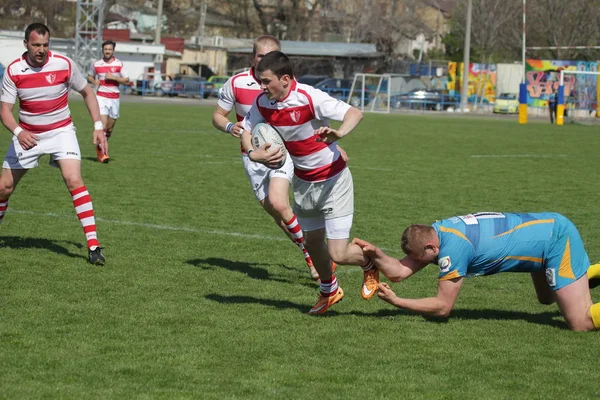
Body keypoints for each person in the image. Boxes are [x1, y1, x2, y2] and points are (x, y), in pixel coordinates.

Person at [240, 51, 378, 314]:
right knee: (312, 243)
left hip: (333, 180)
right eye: (259, 80)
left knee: (338, 253)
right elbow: (247, 130)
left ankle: (369, 263)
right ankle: (330, 291)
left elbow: (354, 113)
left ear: (285, 79)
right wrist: (254, 153)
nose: (261, 86)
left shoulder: (309, 96)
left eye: (266, 81)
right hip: (303, 182)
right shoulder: (262, 102)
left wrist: (339, 133)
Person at [353, 211, 600, 331]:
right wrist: (377, 254)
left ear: (430, 247)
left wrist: (399, 301)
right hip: (542, 240)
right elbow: (398, 272)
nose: (416, 262)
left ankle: (578, 278)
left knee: (581, 322)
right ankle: (585, 276)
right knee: (546, 298)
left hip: (555, 239)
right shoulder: (437, 232)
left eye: (418, 258)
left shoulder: (453, 249)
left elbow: (442, 307)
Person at [211, 36, 320, 280]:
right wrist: (231, 127)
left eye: (272, 55)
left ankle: (314, 258)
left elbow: (306, 115)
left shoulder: (285, 82)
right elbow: (217, 116)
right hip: (252, 156)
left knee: (282, 205)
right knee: (277, 213)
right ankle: (310, 251)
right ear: (253, 58)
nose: (266, 60)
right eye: (261, 56)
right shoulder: (236, 82)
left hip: (283, 152)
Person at [0, 23, 107, 265]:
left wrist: (98, 126)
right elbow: (4, 110)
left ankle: (93, 246)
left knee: (73, 179)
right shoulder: (14, 70)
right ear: (26, 44)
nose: (41, 50)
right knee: (4, 188)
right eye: (36, 44)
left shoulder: (64, 64)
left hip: (61, 132)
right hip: (28, 135)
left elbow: (88, 92)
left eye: (46, 45)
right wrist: (19, 132)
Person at [87, 40, 129, 163]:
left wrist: (114, 77)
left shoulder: (120, 64)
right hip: (101, 97)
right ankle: (102, 153)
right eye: (105, 49)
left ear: (113, 51)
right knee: (103, 126)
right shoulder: (96, 64)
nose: (107, 51)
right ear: (102, 50)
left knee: (109, 129)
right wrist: (94, 81)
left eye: (110, 49)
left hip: (114, 99)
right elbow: (90, 76)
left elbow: (127, 81)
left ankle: (102, 146)